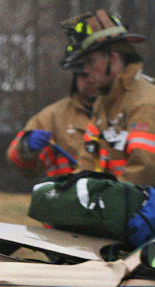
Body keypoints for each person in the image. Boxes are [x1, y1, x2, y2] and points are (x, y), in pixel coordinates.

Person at [61, 9, 155, 185]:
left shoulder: (145, 104)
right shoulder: (104, 104)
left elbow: (144, 171)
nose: (86, 70)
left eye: (90, 61)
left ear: (112, 58)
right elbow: (87, 160)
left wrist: (105, 202)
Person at [6, 57, 98, 179]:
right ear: (75, 78)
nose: (90, 80)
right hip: (70, 195)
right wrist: (26, 148)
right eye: (83, 75)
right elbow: (22, 167)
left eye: (94, 74)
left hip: (116, 195)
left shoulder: (125, 111)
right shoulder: (53, 116)